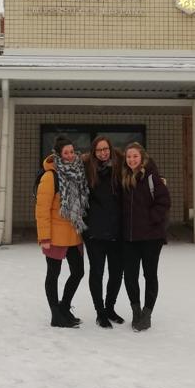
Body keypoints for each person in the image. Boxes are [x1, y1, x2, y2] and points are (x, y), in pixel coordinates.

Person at [35, 136, 89, 328]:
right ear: (58, 154)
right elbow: (41, 209)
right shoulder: (50, 176)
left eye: (72, 152)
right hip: (55, 235)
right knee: (53, 274)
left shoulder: (77, 173)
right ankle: (55, 315)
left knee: (78, 272)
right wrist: (44, 237)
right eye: (65, 152)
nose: (69, 155)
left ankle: (64, 306)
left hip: (74, 233)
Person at [119, 142, 170, 332]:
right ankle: (135, 311)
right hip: (129, 238)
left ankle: (147, 314)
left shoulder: (151, 177)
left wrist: (150, 220)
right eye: (128, 157)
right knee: (130, 276)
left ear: (142, 158)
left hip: (151, 237)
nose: (131, 159)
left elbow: (164, 202)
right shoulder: (123, 178)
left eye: (135, 156)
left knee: (149, 275)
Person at [83, 136, 125, 329]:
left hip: (117, 231)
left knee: (117, 273)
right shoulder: (87, 170)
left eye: (105, 149)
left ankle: (110, 307)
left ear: (110, 149)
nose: (103, 153)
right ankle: (100, 312)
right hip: (95, 232)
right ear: (94, 152)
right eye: (99, 150)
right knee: (97, 272)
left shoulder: (119, 168)